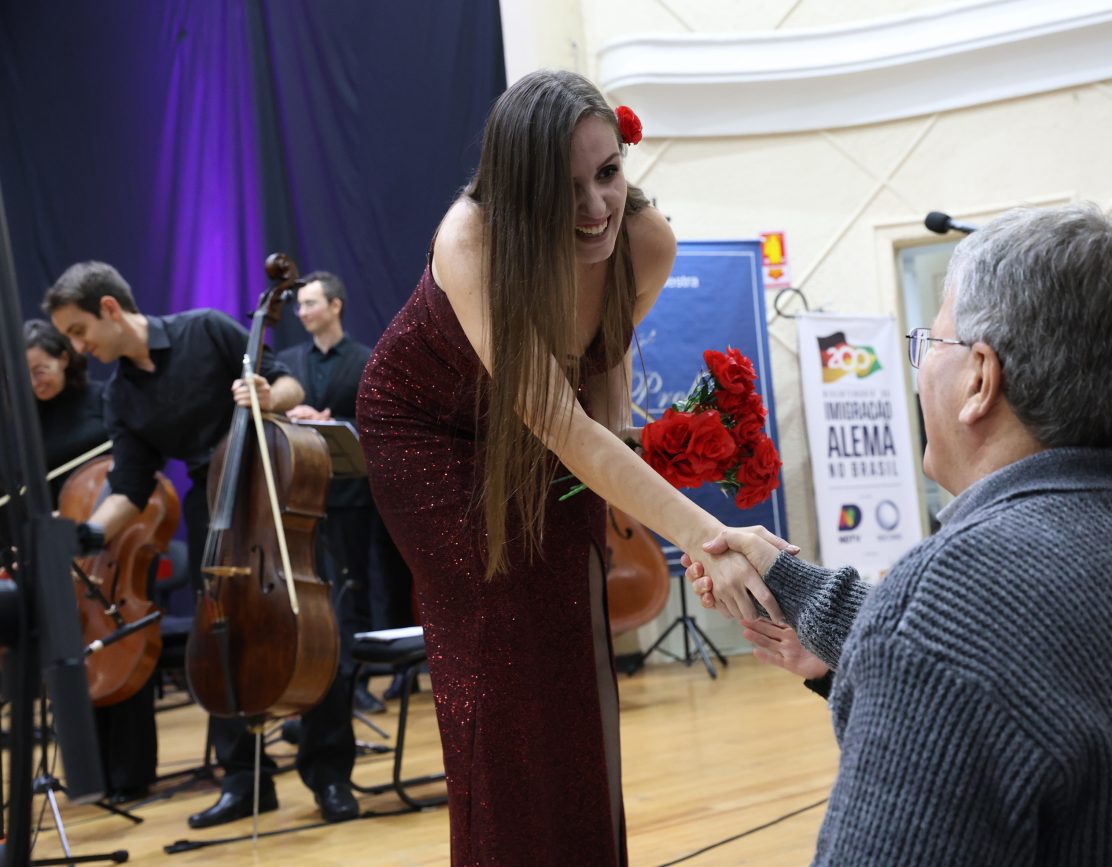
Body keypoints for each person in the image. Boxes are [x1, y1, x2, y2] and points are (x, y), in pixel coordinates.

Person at [686, 203, 1112, 864]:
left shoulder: (953, 597)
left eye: (932, 342)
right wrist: (805, 597)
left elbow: (976, 648)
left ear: (979, 378)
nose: (921, 368)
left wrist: (891, 653)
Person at [356, 69, 784, 864]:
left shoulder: (647, 242)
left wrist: (623, 448)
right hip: (430, 433)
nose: (595, 209)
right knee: (501, 647)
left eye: (608, 174)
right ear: (518, 192)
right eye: (565, 188)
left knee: (578, 648)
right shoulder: (470, 241)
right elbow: (559, 422)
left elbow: (598, 367)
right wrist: (710, 536)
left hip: (538, 426)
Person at [43, 261, 359, 827]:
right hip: (212, 514)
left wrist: (267, 394)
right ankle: (244, 782)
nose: (77, 346)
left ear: (109, 310)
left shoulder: (205, 329)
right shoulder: (121, 397)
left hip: (271, 495)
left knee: (315, 632)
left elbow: (289, 382)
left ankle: (330, 774)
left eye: (77, 331)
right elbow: (131, 487)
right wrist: (85, 534)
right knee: (222, 642)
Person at [23, 319, 157, 801]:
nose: (35, 381)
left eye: (41, 369)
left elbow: (135, 469)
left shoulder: (104, 400)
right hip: (53, 553)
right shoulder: (20, 419)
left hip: (111, 544)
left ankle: (131, 773)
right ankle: (89, 775)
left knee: (121, 644)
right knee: (70, 659)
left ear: (64, 357)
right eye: (24, 374)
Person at [280, 270, 411, 714]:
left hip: (359, 489)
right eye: (299, 306)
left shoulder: (365, 359)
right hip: (308, 491)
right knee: (329, 589)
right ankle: (342, 681)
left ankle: (395, 672)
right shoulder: (291, 362)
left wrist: (331, 423)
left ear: (336, 306)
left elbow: (380, 425)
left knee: (371, 582)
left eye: (310, 303)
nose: (302, 312)